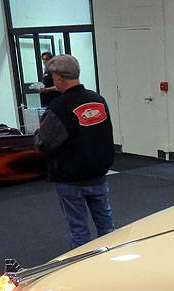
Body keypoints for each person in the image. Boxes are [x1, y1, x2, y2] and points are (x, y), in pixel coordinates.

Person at [35, 54, 116, 248]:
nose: (53, 80)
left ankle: (82, 269)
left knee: (78, 229)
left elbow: (44, 142)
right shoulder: (98, 100)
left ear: (59, 78)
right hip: (98, 174)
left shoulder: (60, 107)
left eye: (53, 76)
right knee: (106, 225)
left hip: (71, 178)